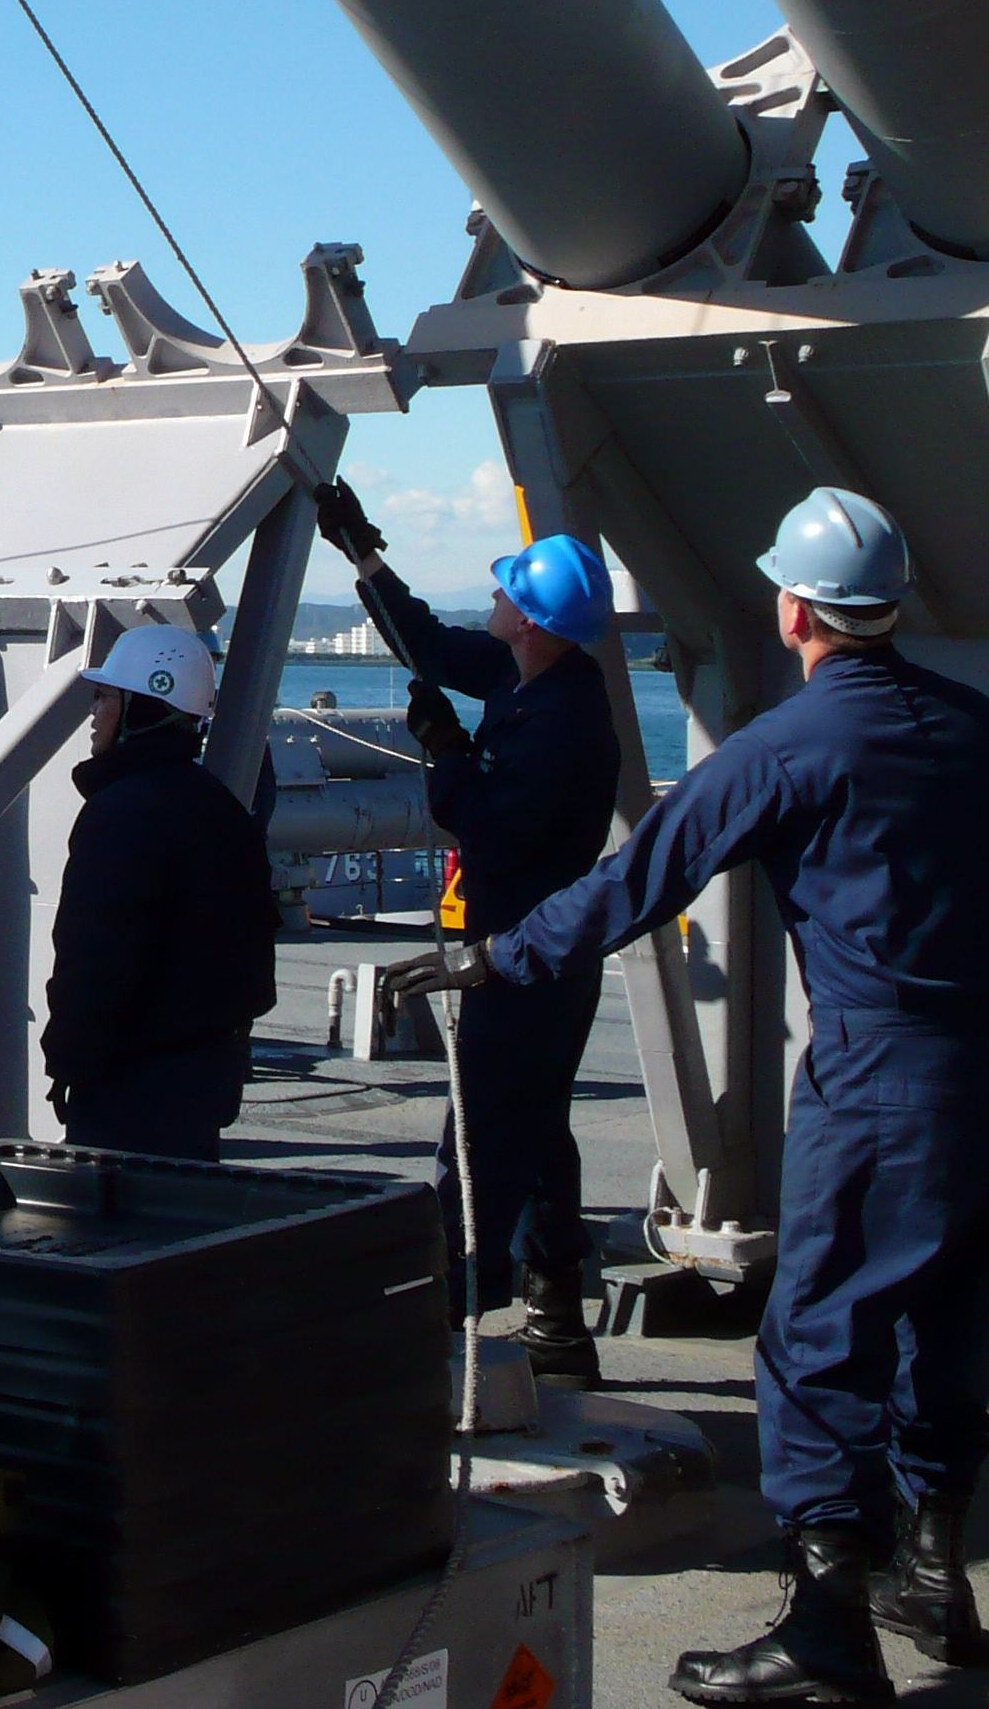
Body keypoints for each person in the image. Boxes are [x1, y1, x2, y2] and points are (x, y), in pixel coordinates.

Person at [391, 485, 989, 1704]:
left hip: (888, 1083)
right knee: (953, 1325)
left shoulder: (794, 745)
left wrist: (498, 955)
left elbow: (641, 878)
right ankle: (934, 1573)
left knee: (816, 1343)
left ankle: (825, 1628)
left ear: (792, 609)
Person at [316, 481, 626, 1383]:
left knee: (485, 1141)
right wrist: (364, 558)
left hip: (522, 964)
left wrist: (447, 754)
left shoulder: (560, 724)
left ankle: (439, 1325)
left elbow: (486, 826)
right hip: (537, 960)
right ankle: (558, 1320)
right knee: (537, 1134)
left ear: (528, 620)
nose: (490, 601)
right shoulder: (538, 678)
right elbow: (430, 644)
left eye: (503, 593)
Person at [40, 624, 278, 1162]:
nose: (95, 712)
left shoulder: (120, 813)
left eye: (105, 696)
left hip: (128, 1091)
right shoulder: (220, 808)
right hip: (200, 1084)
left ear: (141, 708)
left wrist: (69, 1063)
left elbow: (96, 961)